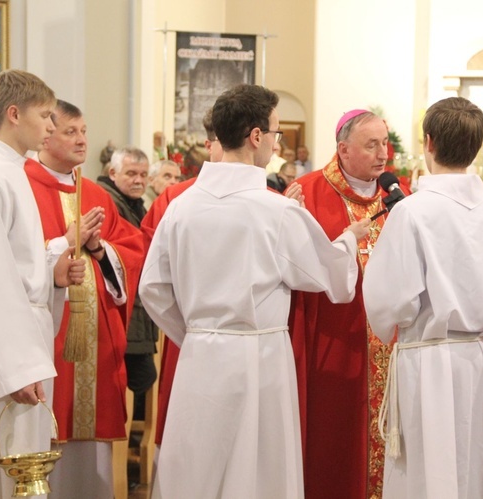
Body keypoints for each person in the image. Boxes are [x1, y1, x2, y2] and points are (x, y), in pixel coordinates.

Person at [139, 83, 369, 498]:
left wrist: (196, 332)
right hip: (259, 357)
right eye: (276, 133)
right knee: (260, 469)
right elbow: (331, 277)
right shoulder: (275, 210)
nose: (276, 143)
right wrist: (350, 239)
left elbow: (153, 288)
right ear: (256, 136)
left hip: (200, 355)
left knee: (197, 468)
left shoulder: (182, 207)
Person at [364, 97, 483, 498]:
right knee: (473, 462)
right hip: (477, 358)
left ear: (428, 142)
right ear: (477, 147)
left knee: (427, 471)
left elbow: (389, 301)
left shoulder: (413, 213)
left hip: (427, 358)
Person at [0, 69, 84, 498]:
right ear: (14, 114)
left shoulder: (13, 171)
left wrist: (51, 268)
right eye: (45, 115)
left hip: (22, 336)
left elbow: (13, 262)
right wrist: (16, 367)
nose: (51, 125)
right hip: (2, 347)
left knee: (23, 465)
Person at [25, 100, 145, 499]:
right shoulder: (20, 186)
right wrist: (63, 244)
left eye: (84, 131)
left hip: (96, 349)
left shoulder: (93, 193)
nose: (81, 140)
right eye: (70, 132)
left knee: (88, 470)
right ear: (46, 134)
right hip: (47, 344)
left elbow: (133, 252)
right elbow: (15, 259)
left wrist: (99, 249)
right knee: (38, 441)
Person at [291, 108, 399, 499]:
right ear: (343, 149)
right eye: (372, 145)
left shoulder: (396, 198)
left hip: (392, 346)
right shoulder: (308, 194)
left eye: (384, 143)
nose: (383, 154)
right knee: (333, 444)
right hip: (333, 345)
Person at [140, 108, 224, 450]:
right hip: (191, 332)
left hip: (200, 333)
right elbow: (152, 272)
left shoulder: (274, 201)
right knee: (189, 436)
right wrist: (185, 330)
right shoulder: (174, 198)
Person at [99, 147, 158, 419]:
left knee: (143, 381)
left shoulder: (136, 205)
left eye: (144, 175)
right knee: (137, 381)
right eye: (131, 173)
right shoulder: (108, 203)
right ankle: (130, 451)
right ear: (113, 173)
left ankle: (133, 450)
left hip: (136, 313)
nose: (139, 181)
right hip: (121, 312)